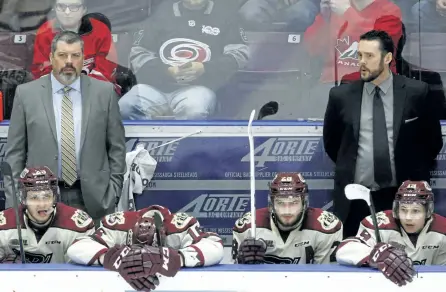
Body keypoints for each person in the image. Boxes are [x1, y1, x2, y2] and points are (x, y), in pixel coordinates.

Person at [323, 30, 443, 238]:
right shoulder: (341, 96)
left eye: (369, 56)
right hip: (356, 199)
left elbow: (432, 143)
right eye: (359, 55)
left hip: (405, 200)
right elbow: (333, 144)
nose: (362, 61)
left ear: (388, 58)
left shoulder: (417, 92)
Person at [4, 30, 126, 223]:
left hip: (93, 201)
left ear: (83, 58)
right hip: (40, 201)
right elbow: (15, 154)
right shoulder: (27, 94)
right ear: (52, 58)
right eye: (62, 55)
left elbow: (117, 149)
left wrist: (112, 193)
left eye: (75, 55)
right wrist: (14, 205)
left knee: (90, 252)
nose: (69, 61)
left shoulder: (104, 93)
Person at [118, 0, 248, 120]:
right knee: (125, 106)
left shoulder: (226, 16)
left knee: (194, 109)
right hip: (155, 87)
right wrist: (167, 71)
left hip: (199, 88)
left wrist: (205, 68)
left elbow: (240, 55)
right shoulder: (161, 14)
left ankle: (184, 146)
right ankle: (147, 144)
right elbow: (139, 54)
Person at [67, 205, 224, 291]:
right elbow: (77, 247)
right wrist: (115, 259)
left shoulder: (180, 226)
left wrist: (176, 259)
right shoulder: (117, 225)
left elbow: (215, 246)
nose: (143, 263)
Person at [336, 180, 446, 286]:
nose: (408, 217)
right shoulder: (379, 223)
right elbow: (343, 250)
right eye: (403, 210)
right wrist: (375, 254)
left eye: (416, 211)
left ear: (428, 211)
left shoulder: (443, 229)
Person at [232, 172, 342, 264]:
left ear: (304, 203)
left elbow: (327, 278)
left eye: (294, 203)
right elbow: (236, 279)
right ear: (271, 204)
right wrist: (241, 263)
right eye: (280, 203)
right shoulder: (249, 227)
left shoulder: (326, 228)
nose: (287, 211)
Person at [0, 166, 94, 264]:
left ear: (54, 197)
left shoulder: (78, 224)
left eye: (47, 196)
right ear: (23, 199)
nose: (42, 204)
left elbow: (80, 274)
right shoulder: (4, 224)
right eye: (34, 197)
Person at [31, 0, 118, 92]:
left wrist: (80, 90)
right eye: (61, 6)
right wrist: (63, 89)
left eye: (74, 7)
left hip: (95, 89)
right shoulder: (44, 32)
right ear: (55, 8)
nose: (67, 12)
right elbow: (41, 70)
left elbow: (106, 69)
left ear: (84, 9)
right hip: (55, 90)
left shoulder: (101, 30)